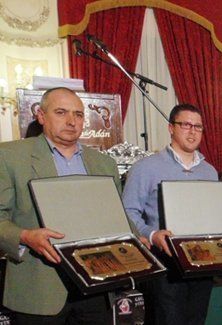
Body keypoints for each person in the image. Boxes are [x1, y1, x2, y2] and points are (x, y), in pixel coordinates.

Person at [0, 87, 120, 323]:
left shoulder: (104, 163)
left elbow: (117, 218)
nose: (71, 121)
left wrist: (143, 241)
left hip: (96, 286)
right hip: (39, 289)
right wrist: (25, 236)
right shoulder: (10, 156)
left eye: (78, 114)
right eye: (61, 112)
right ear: (41, 116)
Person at [122, 104, 217, 325]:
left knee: (197, 319)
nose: (192, 131)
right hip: (164, 263)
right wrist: (152, 234)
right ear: (171, 128)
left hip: (203, 261)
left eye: (198, 127)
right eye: (185, 125)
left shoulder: (210, 171)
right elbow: (127, 211)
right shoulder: (146, 168)